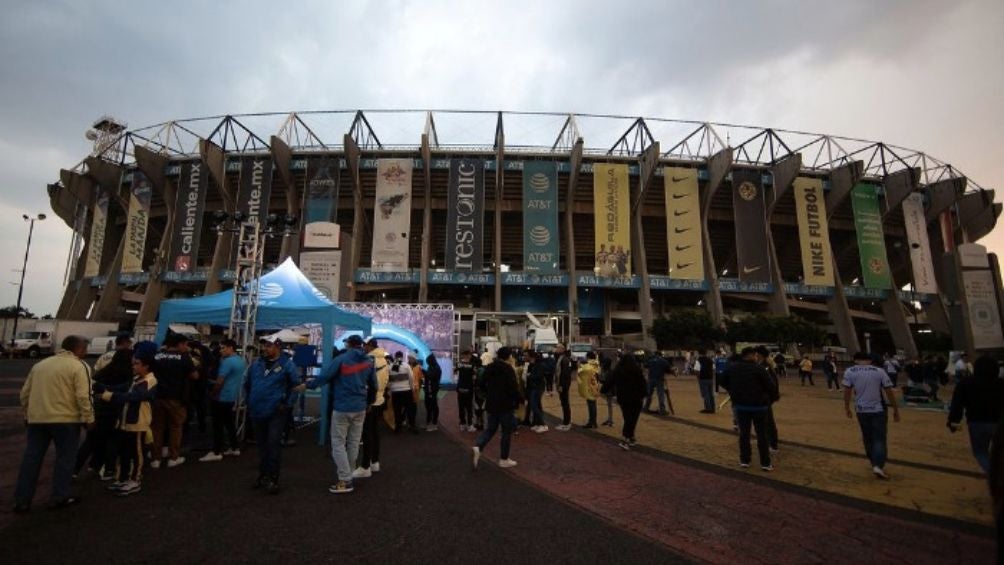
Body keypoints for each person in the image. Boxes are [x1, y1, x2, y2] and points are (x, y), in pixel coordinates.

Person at [13, 335, 94, 513]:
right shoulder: (79, 366)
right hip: (66, 420)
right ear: (78, 349)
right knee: (65, 459)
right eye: (85, 349)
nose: (86, 353)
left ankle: (22, 500)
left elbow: (24, 394)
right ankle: (59, 496)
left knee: (31, 459)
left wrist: (27, 414)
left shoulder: (40, 365)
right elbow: (83, 396)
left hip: (38, 419)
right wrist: (88, 418)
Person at [307, 335, 376, 495]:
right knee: (353, 442)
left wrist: (309, 385)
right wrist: (369, 402)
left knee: (338, 443)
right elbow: (374, 385)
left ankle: (345, 479)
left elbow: (325, 376)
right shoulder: (369, 362)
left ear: (348, 344)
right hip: (360, 407)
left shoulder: (341, 359)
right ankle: (349, 473)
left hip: (343, 406)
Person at [246, 336, 304, 494]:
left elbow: (296, 386)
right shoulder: (256, 364)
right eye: (265, 345)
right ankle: (263, 475)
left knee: (272, 444)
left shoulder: (287, 365)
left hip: (276, 412)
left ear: (278, 347)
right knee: (262, 446)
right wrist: (249, 401)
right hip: (257, 410)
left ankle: (273, 478)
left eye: (269, 346)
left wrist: (287, 405)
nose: (265, 348)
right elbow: (248, 384)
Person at [100, 351, 158, 497]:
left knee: (136, 453)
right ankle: (122, 478)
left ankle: (135, 480)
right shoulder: (137, 379)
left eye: (137, 363)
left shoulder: (149, 381)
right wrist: (102, 387)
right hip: (127, 422)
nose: (133, 366)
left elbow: (134, 396)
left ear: (146, 366)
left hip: (138, 423)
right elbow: (122, 388)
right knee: (125, 452)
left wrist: (108, 395)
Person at [75, 347, 132, 480]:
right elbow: (125, 390)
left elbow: (92, 387)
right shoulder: (128, 374)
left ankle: (76, 469)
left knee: (91, 441)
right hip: (115, 411)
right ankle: (108, 469)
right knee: (112, 441)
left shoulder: (103, 372)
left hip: (98, 410)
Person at [843, 351, 900, 479]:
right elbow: (888, 391)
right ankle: (878, 464)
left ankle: (873, 461)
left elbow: (847, 391)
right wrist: (895, 409)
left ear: (856, 360)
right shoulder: (879, 371)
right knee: (879, 438)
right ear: (870, 360)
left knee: (867, 436)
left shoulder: (850, 371)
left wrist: (847, 407)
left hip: (861, 409)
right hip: (878, 409)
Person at [720, 347, 778, 471]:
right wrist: (769, 398)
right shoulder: (759, 369)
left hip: (741, 406)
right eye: (755, 355)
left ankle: (745, 460)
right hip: (759, 407)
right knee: (762, 435)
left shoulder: (733, 368)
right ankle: (765, 463)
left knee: (744, 434)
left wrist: (733, 390)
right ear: (751, 355)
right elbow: (771, 386)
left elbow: (722, 380)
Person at [947, 355, 1004, 474]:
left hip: (977, 422)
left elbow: (957, 405)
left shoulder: (965, 383)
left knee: (980, 452)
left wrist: (954, 421)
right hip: (1000, 422)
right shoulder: (1001, 383)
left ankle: (994, 474)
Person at [150, 333, 198, 469]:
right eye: (185, 344)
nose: (187, 347)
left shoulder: (157, 356)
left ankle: (155, 458)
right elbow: (194, 375)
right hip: (176, 398)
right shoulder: (184, 358)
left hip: (157, 397)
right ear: (179, 344)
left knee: (157, 428)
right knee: (176, 427)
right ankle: (173, 457)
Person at [472, 347, 521, 469]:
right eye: (510, 355)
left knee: (490, 429)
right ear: (508, 356)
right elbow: (513, 387)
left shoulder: (490, 367)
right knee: (506, 432)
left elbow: (481, 382)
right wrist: (519, 399)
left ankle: (479, 446)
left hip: (492, 404)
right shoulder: (508, 369)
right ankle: (504, 459)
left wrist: (488, 393)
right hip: (505, 405)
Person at [200, 339, 246, 462]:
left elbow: (220, 381)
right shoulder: (241, 361)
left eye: (223, 348)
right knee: (229, 423)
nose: (221, 351)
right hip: (231, 396)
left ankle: (216, 451)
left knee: (218, 425)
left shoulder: (227, 362)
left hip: (221, 396)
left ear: (231, 348)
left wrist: (213, 393)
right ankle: (234, 447)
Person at [356, 339, 390, 478]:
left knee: (367, 433)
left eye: (365, 345)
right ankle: (375, 462)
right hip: (380, 399)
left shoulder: (369, 360)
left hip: (371, 400)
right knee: (375, 432)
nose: (363, 347)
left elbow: (368, 382)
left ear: (370, 346)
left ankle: (365, 466)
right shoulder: (384, 360)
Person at [610, 353, 647, 450]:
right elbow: (643, 383)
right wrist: (644, 394)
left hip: (623, 398)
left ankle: (631, 438)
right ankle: (625, 438)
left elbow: (611, 381)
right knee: (632, 419)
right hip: (636, 398)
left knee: (627, 418)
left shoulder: (618, 370)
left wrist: (604, 390)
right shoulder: (636, 369)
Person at [388, 352, 417, 433]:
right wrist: (412, 389)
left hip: (395, 392)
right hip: (406, 391)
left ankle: (398, 428)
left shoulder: (390, 366)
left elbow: (389, 380)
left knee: (397, 410)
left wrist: (391, 389)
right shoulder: (406, 366)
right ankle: (412, 426)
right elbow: (411, 378)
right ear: (402, 356)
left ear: (395, 356)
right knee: (409, 409)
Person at [524, 351, 548, 433]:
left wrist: (530, 375)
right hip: (533, 387)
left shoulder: (540, 365)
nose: (524, 357)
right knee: (537, 405)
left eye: (526, 355)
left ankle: (543, 424)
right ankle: (537, 423)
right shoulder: (532, 365)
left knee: (534, 406)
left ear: (531, 357)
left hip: (537, 387)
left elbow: (539, 376)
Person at [577, 351, 601, 428]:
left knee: (591, 404)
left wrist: (579, 364)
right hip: (595, 385)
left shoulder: (588, 365)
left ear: (588, 357)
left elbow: (580, 371)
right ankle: (594, 422)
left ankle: (591, 422)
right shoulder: (596, 364)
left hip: (589, 386)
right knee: (593, 404)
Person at [455, 350, 477, 432]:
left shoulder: (459, 364)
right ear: (468, 356)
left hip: (460, 389)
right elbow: (474, 377)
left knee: (461, 407)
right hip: (469, 389)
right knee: (469, 407)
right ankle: (470, 425)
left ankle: (462, 424)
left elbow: (455, 373)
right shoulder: (472, 365)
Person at [555, 345, 575, 430]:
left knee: (565, 403)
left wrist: (561, 385)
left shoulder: (564, 359)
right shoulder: (561, 358)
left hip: (563, 385)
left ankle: (567, 423)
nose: (556, 349)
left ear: (562, 349)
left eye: (558, 348)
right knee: (564, 403)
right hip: (562, 384)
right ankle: (565, 422)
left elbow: (565, 374)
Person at [645, 351, 671, 415]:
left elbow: (646, 366)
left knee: (649, 394)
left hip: (651, 379)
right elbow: (668, 370)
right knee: (660, 395)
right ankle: (662, 410)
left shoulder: (650, 360)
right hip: (659, 379)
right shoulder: (664, 361)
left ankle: (646, 407)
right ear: (660, 355)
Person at [423, 354, 442, 431]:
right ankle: (428, 422)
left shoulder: (437, 368)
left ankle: (434, 423)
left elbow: (432, 377)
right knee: (428, 405)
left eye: (428, 362)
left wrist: (424, 372)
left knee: (433, 405)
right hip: (428, 388)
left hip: (433, 389)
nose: (427, 363)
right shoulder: (431, 367)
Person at [599, 355, 616, 427]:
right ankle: (609, 419)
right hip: (610, 389)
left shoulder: (608, 372)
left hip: (609, 390)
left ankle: (610, 420)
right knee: (609, 405)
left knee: (609, 405)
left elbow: (604, 381)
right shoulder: (610, 371)